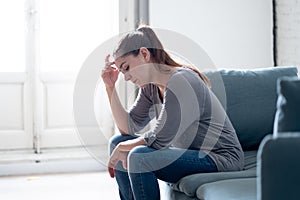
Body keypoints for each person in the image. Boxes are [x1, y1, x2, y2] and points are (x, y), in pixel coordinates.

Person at [101, 25, 244, 200]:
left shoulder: (182, 80)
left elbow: (160, 138)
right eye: (122, 72)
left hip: (220, 157)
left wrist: (127, 147)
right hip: (191, 153)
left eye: (127, 68)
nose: (127, 77)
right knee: (118, 142)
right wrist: (110, 87)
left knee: (138, 157)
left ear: (144, 54)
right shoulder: (150, 88)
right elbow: (128, 128)